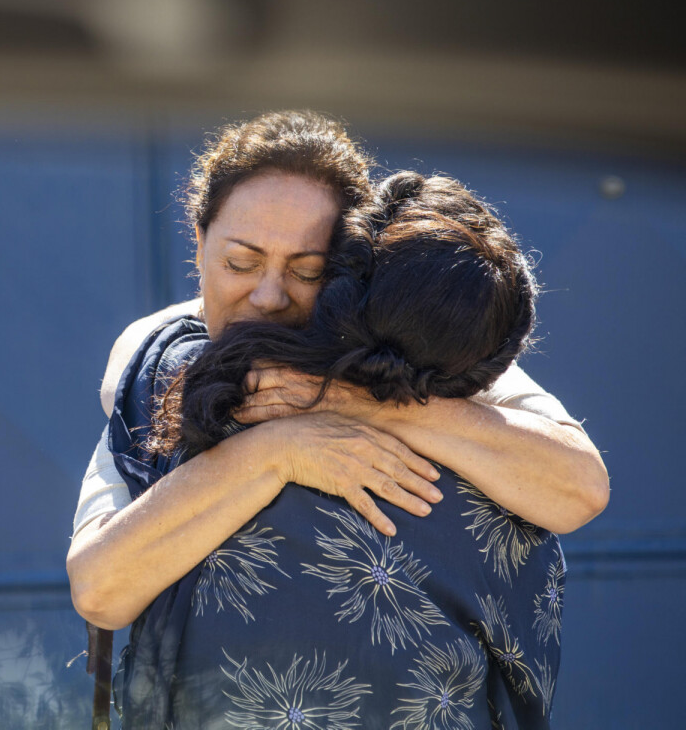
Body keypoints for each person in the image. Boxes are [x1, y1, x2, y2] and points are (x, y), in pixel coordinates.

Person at [65, 111, 608, 726]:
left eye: (306, 271)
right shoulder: (158, 359)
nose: (268, 296)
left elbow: (576, 489)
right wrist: (277, 452)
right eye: (240, 263)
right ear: (199, 241)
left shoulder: (410, 349)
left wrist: (348, 398)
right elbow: (101, 589)